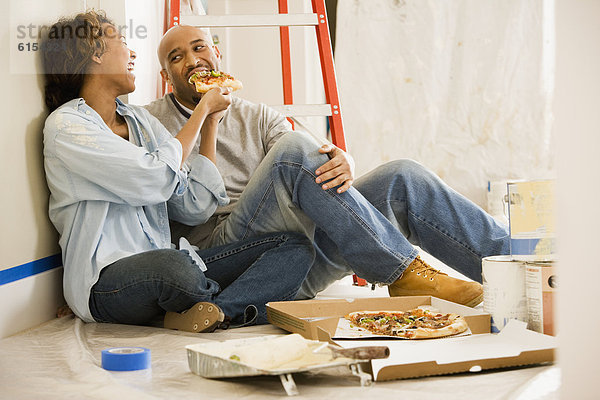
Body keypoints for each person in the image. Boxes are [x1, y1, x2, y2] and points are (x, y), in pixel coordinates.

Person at [145, 25, 510, 307]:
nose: (192, 60)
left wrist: (343, 160)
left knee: (402, 177)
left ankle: (521, 268)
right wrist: (206, 114)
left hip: (300, 258)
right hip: (230, 260)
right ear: (166, 76)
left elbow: (311, 159)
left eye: (199, 48)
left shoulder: (256, 115)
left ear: (217, 53)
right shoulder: (148, 122)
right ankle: (401, 271)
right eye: (176, 57)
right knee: (292, 151)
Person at [39, 11, 315, 332]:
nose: (132, 53)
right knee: (174, 269)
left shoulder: (140, 122)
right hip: (108, 281)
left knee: (294, 247)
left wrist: (211, 120)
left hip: (175, 265)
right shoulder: (68, 127)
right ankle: (243, 299)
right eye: (123, 43)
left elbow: (195, 205)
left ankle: (216, 312)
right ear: (95, 53)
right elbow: (155, 178)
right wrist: (201, 112)